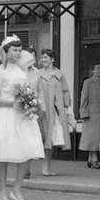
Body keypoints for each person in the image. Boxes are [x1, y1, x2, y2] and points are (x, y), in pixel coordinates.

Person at [0, 35, 44, 200]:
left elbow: (25, 90)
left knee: (28, 150)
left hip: (21, 115)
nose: (18, 53)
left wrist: (30, 102)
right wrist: (12, 103)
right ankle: (2, 193)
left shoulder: (21, 71)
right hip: (4, 115)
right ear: (6, 52)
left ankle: (16, 189)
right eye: (14, 50)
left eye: (19, 50)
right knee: (4, 155)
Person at [34, 48, 73, 176]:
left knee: (51, 140)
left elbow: (65, 91)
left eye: (46, 57)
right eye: (42, 57)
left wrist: (67, 108)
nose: (44, 60)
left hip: (56, 111)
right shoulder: (38, 75)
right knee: (44, 138)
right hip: (43, 111)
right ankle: (42, 168)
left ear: (52, 59)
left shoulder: (59, 74)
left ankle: (47, 167)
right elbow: (33, 92)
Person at [78, 62, 100, 169]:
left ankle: (91, 158)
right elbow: (84, 99)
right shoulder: (88, 82)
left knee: (98, 137)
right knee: (92, 138)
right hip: (91, 114)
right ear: (92, 71)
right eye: (96, 68)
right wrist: (83, 113)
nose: (99, 70)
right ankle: (94, 159)